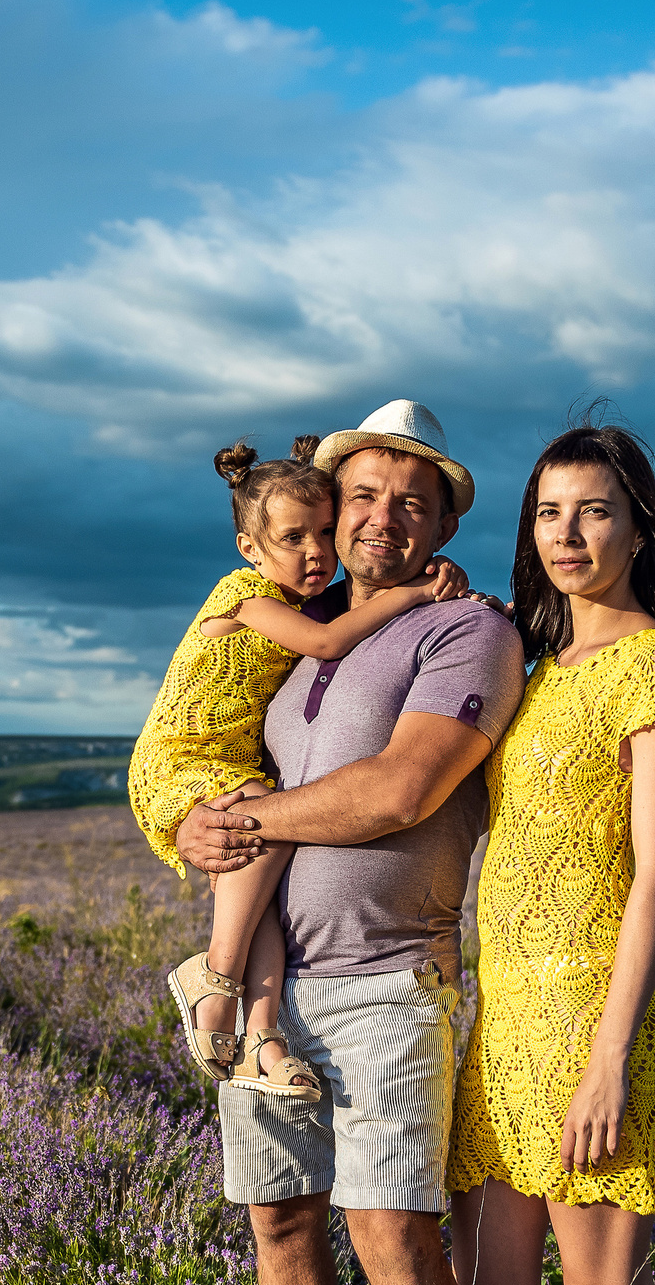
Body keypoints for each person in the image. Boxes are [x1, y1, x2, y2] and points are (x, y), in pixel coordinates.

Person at [177, 399, 525, 1285]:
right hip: (273, 994)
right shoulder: (304, 626)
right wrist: (196, 824)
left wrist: (235, 819)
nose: (383, 516)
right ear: (331, 510)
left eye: (411, 502)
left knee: (393, 1241)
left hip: (387, 983)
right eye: (364, 494)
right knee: (278, 1220)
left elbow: (397, 791)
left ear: (444, 529)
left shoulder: (468, 627)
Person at [442, 417, 655, 1285]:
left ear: (638, 529)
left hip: (590, 1018)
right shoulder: (534, 658)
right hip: (503, 1020)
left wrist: (608, 1060)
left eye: (594, 510)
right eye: (548, 511)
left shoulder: (652, 663)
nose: (568, 531)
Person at [133, 436, 470, 1099]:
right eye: (294, 538)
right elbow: (326, 641)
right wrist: (411, 595)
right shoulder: (245, 596)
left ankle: (262, 1036)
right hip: (185, 757)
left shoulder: (307, 596)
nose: (316, 552)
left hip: (226, 761)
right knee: (265, 826)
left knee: (258, 881)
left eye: (322, 531)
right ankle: (215, 975)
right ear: (250, 549)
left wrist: (445, 586)